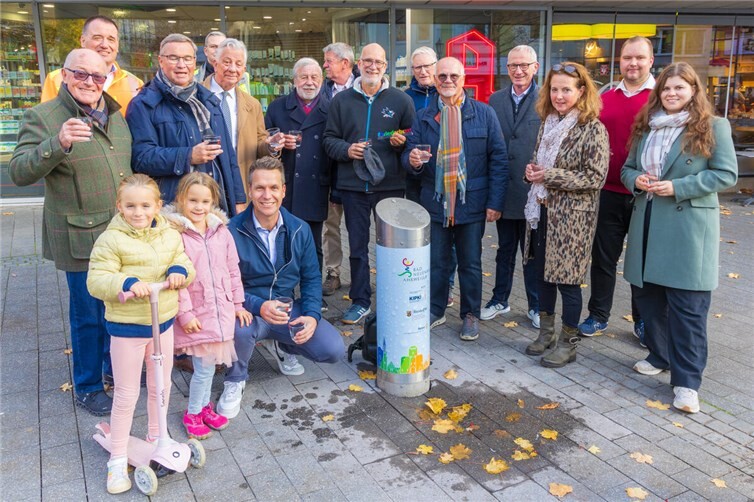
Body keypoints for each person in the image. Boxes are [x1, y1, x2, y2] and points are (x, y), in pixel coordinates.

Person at [10, 48, 133, 416]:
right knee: (89, 316)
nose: (89, 82)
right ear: (64, 75)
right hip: (81, 238)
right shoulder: (43, 117)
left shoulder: (115, 114)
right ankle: (88, 385)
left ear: (107, 78)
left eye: (97, 76)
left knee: (121, 309)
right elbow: (18, 172)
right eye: (81, 74)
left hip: (122, 235)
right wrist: (57, 143)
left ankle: (116, 370)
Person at [621, 62, 737, 413]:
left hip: (686, 229)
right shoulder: (646, 126)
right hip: (648, 223)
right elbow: (627, 168)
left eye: (679, 88)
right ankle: (660, 354)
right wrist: (636, 179)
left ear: (693, 92)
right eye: (666, 89)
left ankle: (687, 383)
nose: (671, 94)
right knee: (650, 300)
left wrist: (679, 187)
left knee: (688, 309)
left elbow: (726, 174)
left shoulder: (713, 126)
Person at [87, 174, 194, 494]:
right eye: (130, 206)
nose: (138, 212)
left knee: (161, 387)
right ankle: (117, 460)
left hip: (162, 323)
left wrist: (179, 273)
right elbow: (96, 279)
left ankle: (156, 436)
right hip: (128, 328)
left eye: (145, 205)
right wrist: (126, 283)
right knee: (127, 393)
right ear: (119, 206)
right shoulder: (111, 239)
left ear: (158, 206)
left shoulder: (168, 234)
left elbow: (184, 262)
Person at [217, 157, 345, 419]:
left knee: (333, 349)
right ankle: (235, 379)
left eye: (274, 188)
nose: (267, 195)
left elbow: (311, 278)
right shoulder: (230, 231)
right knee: (239, 327)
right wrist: (257, 305)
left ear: (284, 190)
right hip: (249, 310)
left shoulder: (300, 229)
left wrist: (311, 315)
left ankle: (284, 346)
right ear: (250, 190)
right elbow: (225, 286)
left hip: (287, 308)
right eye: (260, 188)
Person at [403, 57, 508, 341]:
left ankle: (470, 314)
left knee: (470, 262)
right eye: (442, 77)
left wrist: (495, 203)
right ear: (435, 80)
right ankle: (436, 310)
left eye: (453, 76)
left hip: (470, 203)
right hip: (435, 202)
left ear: (463, 79)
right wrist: (411, 160)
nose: (447, 81)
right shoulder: (423, 117)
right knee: (436, 261)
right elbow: (409, 154)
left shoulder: (484, 114)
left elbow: (498, 159)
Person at [522, 62, 609, 367]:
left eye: (566, 90)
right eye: (554, 89)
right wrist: (532, 171)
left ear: (581, 91)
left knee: (568, 283)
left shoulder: (593, 127)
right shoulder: (548, 122)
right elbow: (540, 163)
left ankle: (569, 344)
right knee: (542, 277)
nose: (559, 96)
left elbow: (594, 178)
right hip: (542, 213)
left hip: (572, 220)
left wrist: (548, 176)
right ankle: (546, 334)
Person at [323, 43, 416, 324]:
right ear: (358, 64)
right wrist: (347, 150)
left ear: (386, 66)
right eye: (367, 61)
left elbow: (412, 139)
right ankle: (361, 300)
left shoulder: (401, 100)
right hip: (353, 186)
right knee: (358, 246)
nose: (372, 66)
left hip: (390, 187)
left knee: (392, 247)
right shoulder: (342, 101)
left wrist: (403, 144)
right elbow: (329, 139)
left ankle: (392, 299)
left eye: (378, 61)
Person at [165, 173, 253, 438]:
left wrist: (238, 303)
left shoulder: (221, 232)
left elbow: (232, 269)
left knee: (209, 366)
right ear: (181, 199)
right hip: (198, 315)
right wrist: (186, 314)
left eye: (205, 201)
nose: (199, 207)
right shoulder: (175, 235)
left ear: (213, 201)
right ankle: (193, 412)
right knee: (203, 370)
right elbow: (175, 281)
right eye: (192, 200)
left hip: (221, 311)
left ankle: (203, 407)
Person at [579, 36, 655, 341]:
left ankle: (644, 321)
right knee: (603, 260)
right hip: (607, 193)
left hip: (645, 196)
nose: (633, 63)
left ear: (651, 61)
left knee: (642, 264)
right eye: (627, 58)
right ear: (619, 62)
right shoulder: (605, 96)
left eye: (639, 57)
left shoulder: (661, 98)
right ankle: (598, 315)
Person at [127, 33, 246, 217]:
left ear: (194, 62)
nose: (181, 65)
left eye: (187, 58)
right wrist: (188, 156)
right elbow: (142, 158)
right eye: (174, 58)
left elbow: (229, 156)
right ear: (161, 61)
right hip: (175, 209)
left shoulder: (208, 100)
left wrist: (238, 199)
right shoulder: (143, 104)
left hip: (215, 204)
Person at [482, 45, 541, 328]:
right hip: (504, 189)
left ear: (535, 67)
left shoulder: (547, 99)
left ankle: (537, 305)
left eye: (524, 65)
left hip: (534, 191)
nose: (518, 71)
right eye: (512, 66)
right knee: (504, 250)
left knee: (531, 253)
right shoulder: (494, 100)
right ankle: (499, 299)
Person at [265, 57, 331, 279]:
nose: (309, 82)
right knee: (283, 241)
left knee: (313, 244)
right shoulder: (277, 107)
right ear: (294, 80)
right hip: (286, 187)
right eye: (304, 77)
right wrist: (277, 146)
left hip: (316, 186)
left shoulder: (331, 109)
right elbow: (265, 147)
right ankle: (284, 291)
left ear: (321, 81)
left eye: (314, 77)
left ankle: (313, 294)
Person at [201, 38, 273, 197]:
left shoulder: (252, 105)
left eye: (238, 64)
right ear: (215, 64)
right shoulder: (196, 98)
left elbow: (260, 141)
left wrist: (270, 145)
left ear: (244, 69)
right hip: (205, 184)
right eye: (227, 62)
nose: (233, 69)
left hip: (241, 184)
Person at [41, 16, 143, 115]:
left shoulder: (135, 83)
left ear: (117, 45)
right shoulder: (57, 78)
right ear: (83, 41)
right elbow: (47, 121)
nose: (104, 45)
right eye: (97, 38)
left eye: (111, 39)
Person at [321, 42, 358, 298]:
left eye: (328, 61)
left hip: (358, 173)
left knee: (359, 227)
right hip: (329, 170)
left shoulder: (366, 87)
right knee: (331, 224)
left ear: (345, 63)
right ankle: (333, 272)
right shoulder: (322, 91)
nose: (324, 65)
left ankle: (361, 275)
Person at [404, 46, 438, 204]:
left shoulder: (445, 93)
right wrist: (398, 134)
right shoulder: (404, 97)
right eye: (418, 67)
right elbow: (388, 131)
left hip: (439, 166)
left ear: (436, 66)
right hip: (413, 169)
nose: (423, 71)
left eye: (427, 66)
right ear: (413, 70)